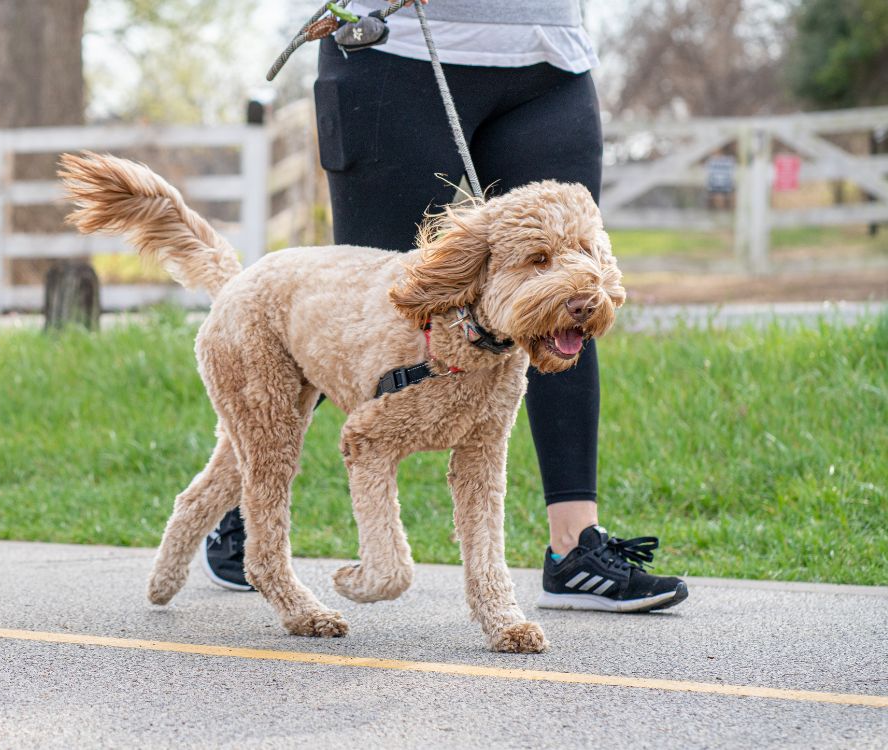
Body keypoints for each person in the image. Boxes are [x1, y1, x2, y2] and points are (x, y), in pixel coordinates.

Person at [202, 0, 687, 613]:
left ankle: (574, 548)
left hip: (549, 54)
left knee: (565, 301)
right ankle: (248, 511)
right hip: (393, 45)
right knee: (364, 315)